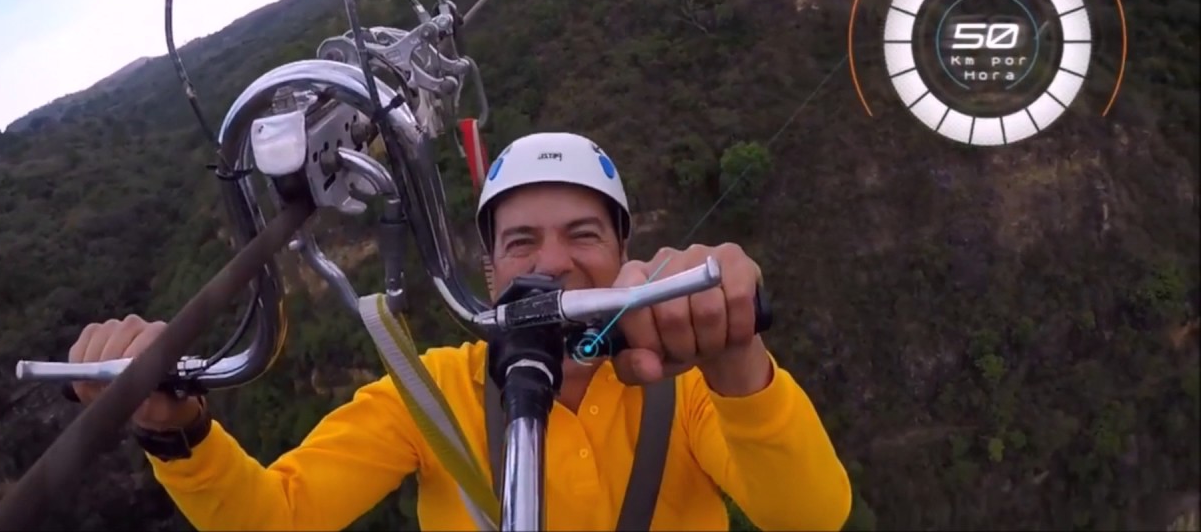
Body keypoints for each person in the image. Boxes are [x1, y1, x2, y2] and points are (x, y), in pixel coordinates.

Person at [69, 131, 853, 531]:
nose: (553, 262)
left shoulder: (683, 386)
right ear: (489, 270)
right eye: (521, 242)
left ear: (622, 251)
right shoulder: (428, 394)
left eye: (583, 235)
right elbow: (277, 518)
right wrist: (175, 433)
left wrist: (734, 354)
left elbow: (811, 517)